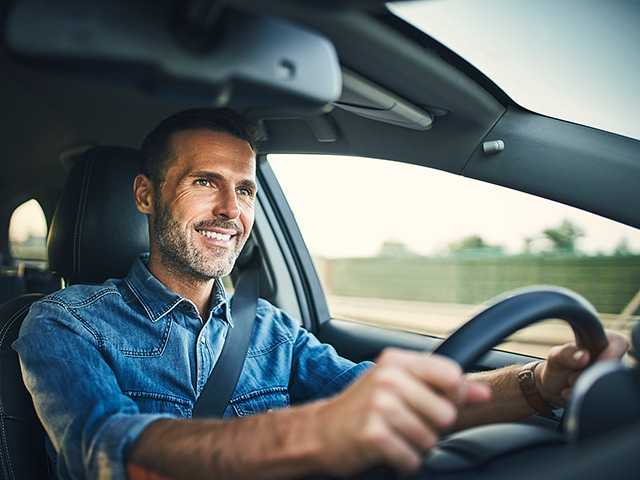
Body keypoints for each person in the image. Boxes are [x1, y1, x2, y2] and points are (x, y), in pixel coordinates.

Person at [14, 109, 628, 480]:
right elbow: (103, 453)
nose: (232, 210)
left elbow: (379, 397)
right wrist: (314, 434)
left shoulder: (270, 330)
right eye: (206, 182)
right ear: (146, 196)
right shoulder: (65, 323)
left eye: (247, 190)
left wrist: (539, 384)